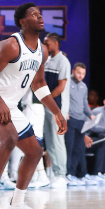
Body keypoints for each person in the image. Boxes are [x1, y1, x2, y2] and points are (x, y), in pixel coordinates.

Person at [0, 3, 67, 209]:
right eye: (34, 15)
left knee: (34, 151)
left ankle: (17, 204)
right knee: (9, 139)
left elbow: (39, 83)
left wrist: (56, 112)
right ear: (23, 21)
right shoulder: (10, 45)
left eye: (41, 14)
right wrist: (0, 103)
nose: (40, 17)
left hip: (9, 104)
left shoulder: (42, 51)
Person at [41, 33, 71, 187]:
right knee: (50, 142)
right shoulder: (46, 60)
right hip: (46, 107)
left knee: (58, 141)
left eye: (47, 43)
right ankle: (55, 174)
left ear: (55, 43)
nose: (45, 45)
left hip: (56, 108)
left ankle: (62, 175)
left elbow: (61, 87)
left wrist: (46, 98)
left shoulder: (63, 61)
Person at [65, 62, 91, 184]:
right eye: (79, 73)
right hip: (70, 119)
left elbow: (85, 104)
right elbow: (63, 99)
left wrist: (91, 115)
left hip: (81, 120)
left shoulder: (84, 86)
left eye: (83, 74)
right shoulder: (66, 83)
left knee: (78, 149)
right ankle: (67, 174)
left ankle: (73, 173)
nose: (81, 76)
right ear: (73, 71)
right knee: (69, 148)